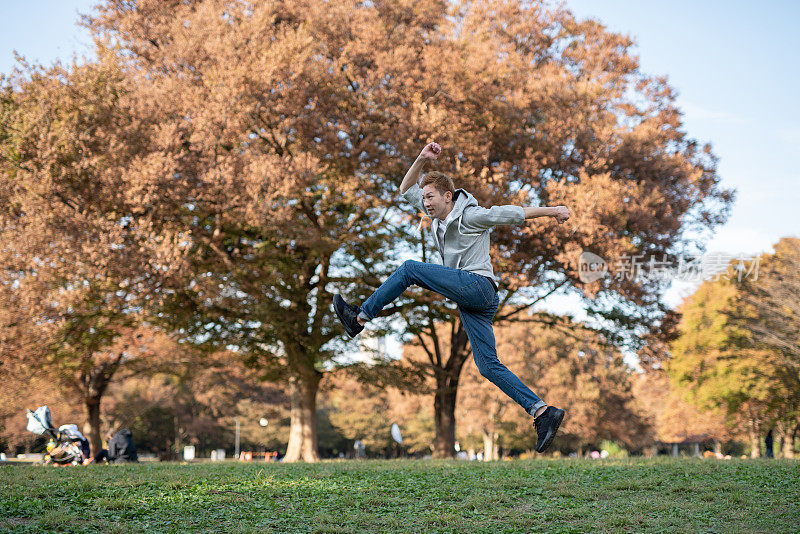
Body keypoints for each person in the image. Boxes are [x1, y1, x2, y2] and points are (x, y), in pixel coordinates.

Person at [334, 142, 569, 453]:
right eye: (425, 198)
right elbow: (406, 189)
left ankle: (359, 317)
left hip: (478, 287)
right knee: (488, 366)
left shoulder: (470, 215)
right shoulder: (438, 215)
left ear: (447, 196)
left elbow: (514, 214)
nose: (425, 203)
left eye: (430, 197)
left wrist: (554, 211)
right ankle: (542, 412)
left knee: (409, 269)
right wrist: (420, 159)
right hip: (474, 301)